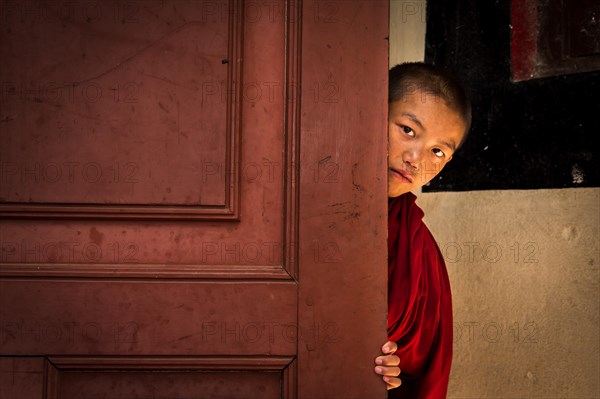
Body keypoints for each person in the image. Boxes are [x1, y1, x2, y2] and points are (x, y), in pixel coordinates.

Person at [374, 62, 472, 398]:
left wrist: (388, 372)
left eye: (438, 151)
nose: (416, 159)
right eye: (408, 130)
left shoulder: (420, 251)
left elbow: (424, 373)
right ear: (370, 108)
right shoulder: (297, 207)